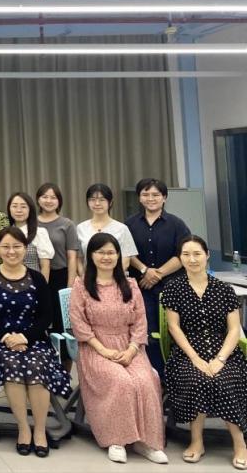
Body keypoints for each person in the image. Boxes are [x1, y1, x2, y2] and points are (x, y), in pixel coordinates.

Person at [68, 233, 167, 464]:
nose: (106, 257)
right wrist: (103, 351)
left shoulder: (131, 285)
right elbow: (79, 324)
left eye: (111, 252)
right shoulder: (81, 286)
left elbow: (140, 322)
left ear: (119, 255)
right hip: (95, 348)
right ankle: (117, 440)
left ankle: (146, 442)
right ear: (91, 256)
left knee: (147, 379)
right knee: (120, 381)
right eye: (101, 252)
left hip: (129, 346)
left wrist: (132, 350)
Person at [0, 226, 71, 458]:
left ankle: (39, 430)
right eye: (6, 247)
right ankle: (23, 428)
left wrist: (25, 337)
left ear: (25, 248)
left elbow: (46, 316)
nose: (11, 251)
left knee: (37, 366)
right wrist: (8, 337)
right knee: (12, 365)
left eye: (16, 246)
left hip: (34, 340)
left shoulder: (37, 278)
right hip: (1, 341)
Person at [162, 235, 247, 468]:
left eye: (197, 254)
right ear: (180, 258)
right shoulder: (173, 289)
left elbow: (234, 329)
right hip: (187, 352)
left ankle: (239, 443)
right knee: (197, 379)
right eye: (186, 254)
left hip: (224, 352)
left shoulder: (224, 289)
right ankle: (196, 441)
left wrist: (220, 359)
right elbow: (174, 327)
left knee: (226, 379)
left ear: (207, 255)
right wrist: (195, 358)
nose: (192, 259)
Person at [124, 178, 190, 377]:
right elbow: (127, 252)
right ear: (139, 198)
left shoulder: (177, 224)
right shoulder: (129, 224)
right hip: (142, 289)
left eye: (155, 194)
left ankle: (178, 378)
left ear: (164, 197)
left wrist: (157, 273)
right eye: (145, 194)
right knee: (148, 333)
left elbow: (183, 254)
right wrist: (145, 270)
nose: (150, 198)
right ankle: (156, 378)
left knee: (175, 331)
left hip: (173, 288)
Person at [35, 183, 80, 370]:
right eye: (44, 196)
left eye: (53, 197)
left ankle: (64, 373)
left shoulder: (67, 224)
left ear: (59, 201)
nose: (48, 200)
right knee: (40, 322)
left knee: (62, 326)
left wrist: (69, 286)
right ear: (38, 199)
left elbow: (72, 257)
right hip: (36, 277)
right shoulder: (31, 223)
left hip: (60, 278)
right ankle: (41, 369)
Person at [75, 183, 137, 274]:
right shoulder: (80, 228)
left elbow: (126, 259)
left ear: (110, 202)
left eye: (102, 200)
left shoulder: (122, 228)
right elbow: (79, 258)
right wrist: (84, 276)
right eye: (92, 199)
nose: (97, 203)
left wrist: (110, 278)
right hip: (88, 279)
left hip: (116, 279)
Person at [6, 192, 54, 279]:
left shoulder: (39, 233)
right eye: (14, 206)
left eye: (23, 207)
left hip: (33, 281)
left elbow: (45, 266)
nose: (19, 210)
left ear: (30, 209)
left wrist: (42, 285)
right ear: (9, 209)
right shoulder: (5, 233)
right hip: (7, 281)